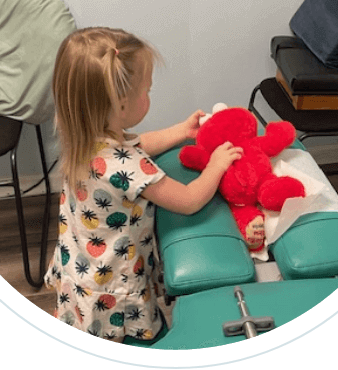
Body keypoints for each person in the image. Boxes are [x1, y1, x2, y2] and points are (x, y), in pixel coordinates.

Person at [45, 26, 243, 343]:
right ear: (121, 105)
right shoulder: (127, 165)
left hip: (82, 268)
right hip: (117, 285)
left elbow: (138, 144)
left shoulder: (84, 138)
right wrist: (217, 166)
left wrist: (181, 131)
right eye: (146, 91)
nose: (149, 95)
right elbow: (189, 199)